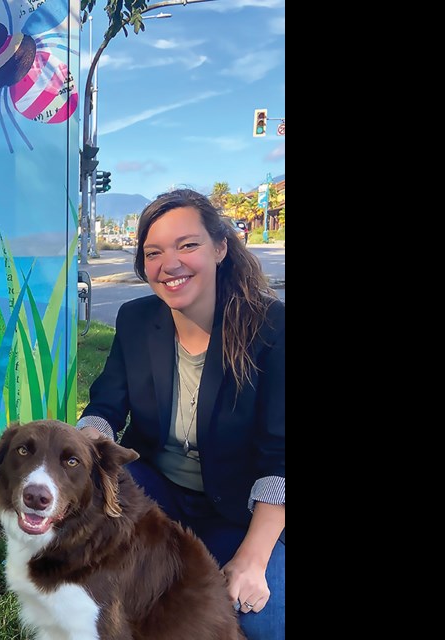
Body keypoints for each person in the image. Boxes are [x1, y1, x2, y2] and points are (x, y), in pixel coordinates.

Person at [77, 188, 284, 639]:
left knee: (260, 622)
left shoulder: (271, 327)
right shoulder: (135, 320)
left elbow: (280, 457)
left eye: (187, 245)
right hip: (157, 492)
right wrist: (80, 445)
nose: (169, 264)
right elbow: (105, 408)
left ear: (220, 247)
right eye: (154, 252)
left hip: (241, 508)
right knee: (107, 597)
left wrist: (252, 558)